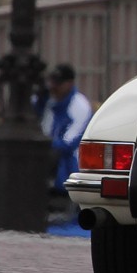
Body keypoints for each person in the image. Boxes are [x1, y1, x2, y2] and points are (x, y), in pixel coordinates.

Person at [41, 64, 93, 195]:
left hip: (71, 167)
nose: (53, 87)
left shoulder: (80, 106)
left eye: (58, 83)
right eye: (52, 82)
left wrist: (45, 144)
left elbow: (68, 143)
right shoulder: (50, 102)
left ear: (69, 84)